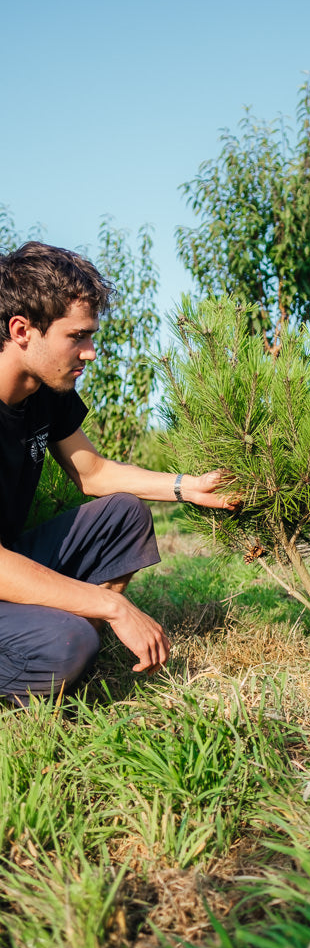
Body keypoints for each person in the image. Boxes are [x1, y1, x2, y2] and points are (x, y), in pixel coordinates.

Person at [0, 240, 232, 708]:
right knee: (68, 643)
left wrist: (187, 487)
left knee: (125, 514)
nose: (89, 353)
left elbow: (94, 473)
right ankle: (58, 644)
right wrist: (111, 605)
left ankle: (58, 632)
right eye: (77, 336)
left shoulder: (46, 392)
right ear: (22, 329)